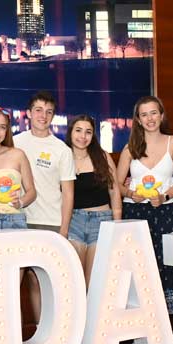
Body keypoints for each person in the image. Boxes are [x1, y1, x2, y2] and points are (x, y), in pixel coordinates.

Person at [116, 95, 173, 326]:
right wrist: (130, 194)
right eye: (144, 114)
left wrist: (165, 196)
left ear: (162, 115)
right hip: (135, 214)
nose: (150, 118)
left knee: (167, 262)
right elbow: (117, 183)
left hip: (165, 211)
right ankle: (141, 319)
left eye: (154, 113)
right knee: (139, 264)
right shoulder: (130, 148)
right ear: (137, 119)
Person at [13, 91, 76, 323]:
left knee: (45, 282)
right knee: (19, 282)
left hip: (51, 222)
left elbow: (68, 193)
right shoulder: (15, 142)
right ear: (29, 113)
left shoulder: (62, 150)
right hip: (19, 221)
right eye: (38, 110)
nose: (43, 115)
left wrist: (64, 229)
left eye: (49, 111)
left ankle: (47, 332)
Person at [65, 114, 122, 285]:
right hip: (73, 221)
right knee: (75, 280)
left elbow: (115, 191)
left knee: (94, 281)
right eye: (78, 130)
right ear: (70, 132)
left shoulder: (102, 157)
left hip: (102, 222)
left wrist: (116, 225)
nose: (83, 136)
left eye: (88, 132)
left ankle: (91, 313)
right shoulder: (63, 157)